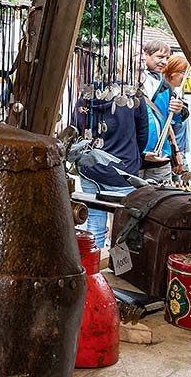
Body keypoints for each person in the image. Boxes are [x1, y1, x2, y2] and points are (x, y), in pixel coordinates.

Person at [74, 85, 148, 249]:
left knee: (94, 222)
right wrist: (131, 156)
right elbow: (143, 135)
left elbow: (77, 128)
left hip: (90, 169)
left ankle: (95, 264)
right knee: (125, 227)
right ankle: (117, 268)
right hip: (123, 169)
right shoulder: (133, 96)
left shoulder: (86, 95)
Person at [142, 54, 188, 182]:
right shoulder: (160, 90)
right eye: (184, 73)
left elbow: (177, 119)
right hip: (154, 152)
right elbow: (166, 127)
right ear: (173, 72)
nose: (186, 77)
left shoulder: (171, 93)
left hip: (165, 154)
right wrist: (177, 153)